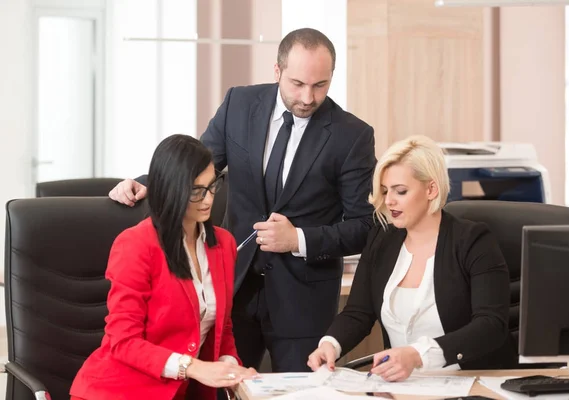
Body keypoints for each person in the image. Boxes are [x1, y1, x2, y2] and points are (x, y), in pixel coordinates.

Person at [108, 28, 377, 372]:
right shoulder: (240, 103)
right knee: (222, 390)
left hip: (303, 302)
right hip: (232, 290)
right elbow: (201, 164)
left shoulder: (352, 136)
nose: (308, 97)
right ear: (277, 70)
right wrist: (148, 183)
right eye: (297, 84)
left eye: (320, 85)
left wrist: (299, 239)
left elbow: (364, 226)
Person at [307, 135, 518, 381]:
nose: (389, 201)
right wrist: (331, 344)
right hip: (403, 385)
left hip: (469, 383)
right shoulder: (381, 238)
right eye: (385, 191)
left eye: (401, 191)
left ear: (431, 189)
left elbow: (490, 325)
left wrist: (417, 355)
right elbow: (358, 312)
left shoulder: (473, 241)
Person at [71, 135, 257, 400]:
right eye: (195, 191)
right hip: (120, 391)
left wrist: (229, 367)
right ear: (170, 189)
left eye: (211, 186)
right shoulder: (136, 245)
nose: (207, 199)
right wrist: (194, 368)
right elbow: (123, 341)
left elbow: (221, 326)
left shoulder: (223, 245)